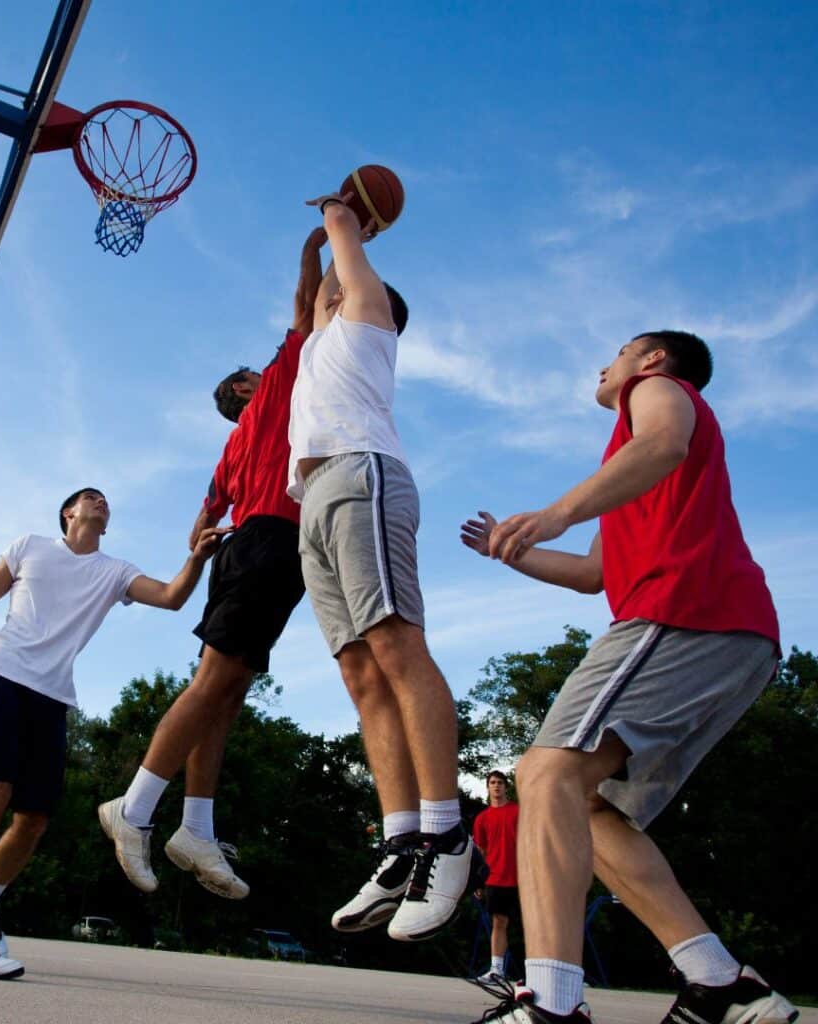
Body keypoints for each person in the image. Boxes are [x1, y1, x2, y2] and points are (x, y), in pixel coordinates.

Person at [460, 331, 797, 1024]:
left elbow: (665, 442)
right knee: (588, 808)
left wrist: (552, 513)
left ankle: (551, 1002)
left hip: (684, 612)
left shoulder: (658, 397)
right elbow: (593, 575)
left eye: (618, 351)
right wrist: (514, 550)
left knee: (546, 774)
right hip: (729, 635)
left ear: (649, 362)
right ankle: (721, 983)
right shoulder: (632, 473)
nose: (604, 364)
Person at [98, 227, 328, 901]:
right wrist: (313, 245)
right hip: (267, 545)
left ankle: (195, 825)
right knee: (212, 689)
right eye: (250, 373)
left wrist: (200, 554)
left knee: (224, 696)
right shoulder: (281, 389)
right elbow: (305, 303)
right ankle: (134, 808)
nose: (262, 369)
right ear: (243, 388)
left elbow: (200, 523)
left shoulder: (230, 454)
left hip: (250, 550)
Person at [287, 191, 486, 943]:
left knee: (396, 644)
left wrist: (346, 214)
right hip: (316, 496)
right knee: (359, 670)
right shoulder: (318, 345)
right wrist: (310, 254)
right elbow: (310, 300)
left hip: (363, 476)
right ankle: (402, 842)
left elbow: (344, 259)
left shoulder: (369, 324)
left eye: (340, 282)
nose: (330, 292)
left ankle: (445, 835)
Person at [0, 487, 225, 979]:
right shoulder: (31, 546)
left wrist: (196, 558)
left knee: (34, 819)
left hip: (53, 695)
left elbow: (172, 598)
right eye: (90, 497)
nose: (100, 502)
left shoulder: (114, 572)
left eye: (105, 500)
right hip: (3, 675)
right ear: (69, 513)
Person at [473, 770, 520, 982]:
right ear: (487, 787)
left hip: (522, 877)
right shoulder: (482, 818)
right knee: (499, 922)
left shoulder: (518, 812)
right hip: (495, 878)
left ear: (506, 786)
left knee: (534, 925)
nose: (496, 786)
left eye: (500, 782)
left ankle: (542, 971)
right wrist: (477, 880)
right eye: (492, 782)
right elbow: (480, 852)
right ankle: (496, 970)